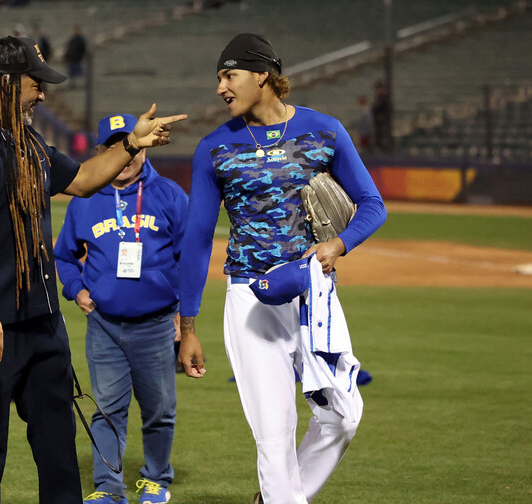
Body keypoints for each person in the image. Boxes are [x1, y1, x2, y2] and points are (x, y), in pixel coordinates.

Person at [0, 36, 186, 504]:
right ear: (4, 83)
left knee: (59, 445)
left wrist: (130, 144)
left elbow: (82, 179)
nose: (42, 94)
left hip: (42, 324)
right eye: (34, 84)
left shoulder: (26, 140)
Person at [176, 34, 386, 504]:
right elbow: (195, 241)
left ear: (262, 76)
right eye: (218, 79)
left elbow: (373, 205)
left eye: (229, 76)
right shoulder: (214, 149)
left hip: (315, 295)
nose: (221, 88)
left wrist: (340, 243)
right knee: (275, 438)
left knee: (343, 415)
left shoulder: (324, 130)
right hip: (250, 299)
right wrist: (187, 324)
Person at [54, 114, 188, 504]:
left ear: (144, 146)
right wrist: (76, 289)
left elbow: (189, 262)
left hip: (157, 324)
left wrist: (185, 317)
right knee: (107, 411)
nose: (123, 155)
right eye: (112, 147)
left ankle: (156, 479)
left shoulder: (169, 195)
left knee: (159, 410)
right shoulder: (86, 199)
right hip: (105, 326)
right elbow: (63, 256)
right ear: (100, 153)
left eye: (129, 145)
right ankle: (109, 489)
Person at [371, 80, 392, 153]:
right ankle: (381, 151)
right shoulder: (378, 97)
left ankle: (385, 152)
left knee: (383, 137)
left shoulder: (385, 97)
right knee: (378, 138)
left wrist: (382, 117)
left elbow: (386, 109)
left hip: (383, 122)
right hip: (377, 121)